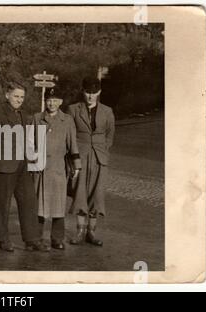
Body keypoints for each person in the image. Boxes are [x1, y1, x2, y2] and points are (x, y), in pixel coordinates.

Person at [0, 81, 50, 252]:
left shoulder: (23, 114)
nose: (19, 100)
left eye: (22, 97)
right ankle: (3, 239)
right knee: (3, 204)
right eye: (16, 96)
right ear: (7, 95)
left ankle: (32, 239)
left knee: (29, 201)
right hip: (4, 166)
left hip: (22, 165)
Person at [67, 76, 115, 247]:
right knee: (80, 192)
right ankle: (79, 231)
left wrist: (103, 151)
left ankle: (91, 232)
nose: (90, 96)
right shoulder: (73, 109)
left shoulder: (107, 111)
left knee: (97, 194)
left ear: (99, 92)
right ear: (83, 91)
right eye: (88, 92)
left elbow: (110, 135)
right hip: (80, 155)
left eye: (94, 93)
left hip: (99, 158)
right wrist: (73, 157)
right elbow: (70, 134)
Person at [33, 87, 81, 250]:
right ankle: (36, 238)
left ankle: (57, 238)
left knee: (58, 205)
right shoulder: (37, 118)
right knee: (38, 204)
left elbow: (73, 144)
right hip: (39, 169)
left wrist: (77, 166)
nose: (52, 103)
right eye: (49, 100)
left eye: (55, 100)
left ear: (60, 102)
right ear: (45, 101)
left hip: (58, 169)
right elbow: (29, 143)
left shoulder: (67, 120)